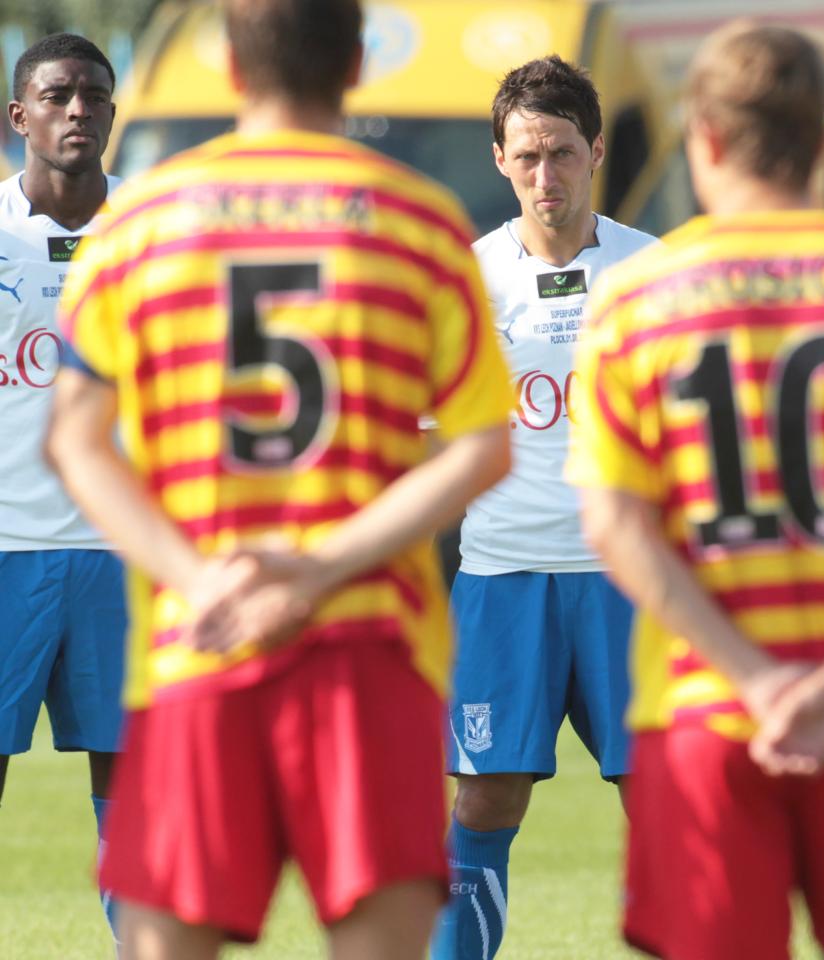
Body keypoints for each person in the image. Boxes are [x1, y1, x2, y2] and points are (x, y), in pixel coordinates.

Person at [43, 0, 513, 956]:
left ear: (226, 66)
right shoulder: (421, 222)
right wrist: (316, 565)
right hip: (369, 644)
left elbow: (77, 443)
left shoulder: (140, 223)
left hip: (197, 643)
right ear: (355, 65)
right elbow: (480, 447)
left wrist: (199, 579)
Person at [568, 22, 824, 960]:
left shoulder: (635, 305)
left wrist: (756, 681)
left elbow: (613, 523)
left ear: (703, 138)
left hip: (706, 714)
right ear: (821, 140)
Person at [431, 55, 654, 960]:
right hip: (503, 577)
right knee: (486, 798)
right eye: (526, 157)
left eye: (562, 153)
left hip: (627, 579)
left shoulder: (654, 271)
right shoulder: (466, 279)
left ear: (595, 150)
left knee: (667, 796)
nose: (544, 176)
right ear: (498, 160)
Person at [0, 31, 124, 944]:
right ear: (20, 116)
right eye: (57, 95)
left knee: (136, 799)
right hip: (5, 554)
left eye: (93, 95)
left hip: (123, 556)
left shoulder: (152, 239)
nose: (77, 109)